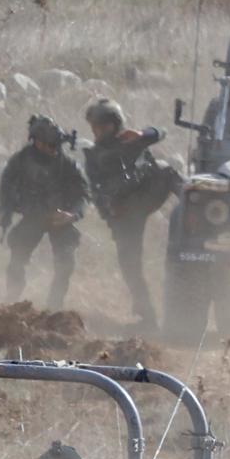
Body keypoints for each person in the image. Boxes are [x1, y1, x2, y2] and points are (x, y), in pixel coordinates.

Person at [82, 99, 175, 327]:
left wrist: (142, 134)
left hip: (147, 195)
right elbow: (96, 191)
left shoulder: (130, 141)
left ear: (115, 125)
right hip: (125, 211)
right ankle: (147, 316)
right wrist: (111, 213)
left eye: (103, 127)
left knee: (167, 171)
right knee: (129, 264)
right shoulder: (95, 157)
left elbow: (162, 132)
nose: (99, 132)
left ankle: (196, 206)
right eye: (95, 128)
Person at [0, 115, 89, 309]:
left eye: (55, 146)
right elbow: (6, 190)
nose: (53, 150)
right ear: (37, 142)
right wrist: (6, 213)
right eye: (48, 145)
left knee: (66, 262)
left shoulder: (67, 164)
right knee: (17, 259)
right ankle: (12, 300)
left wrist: (72, 214)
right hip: (33, 217)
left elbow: (83, 195)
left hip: (60, 219)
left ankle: (54, 306)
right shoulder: (20, 162)